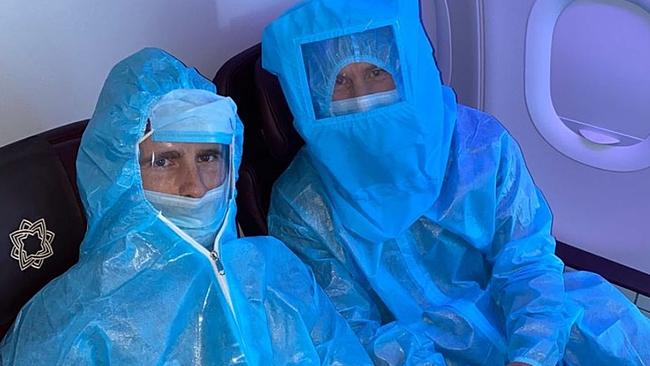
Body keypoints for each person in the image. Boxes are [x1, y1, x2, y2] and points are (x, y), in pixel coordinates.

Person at [261, 0, 650, 365]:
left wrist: (531, 355)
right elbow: (354, 328)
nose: (361, 98)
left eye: (376, 72)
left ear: (407, 66)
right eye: (339, 81)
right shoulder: (300, 204)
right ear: (309, 93)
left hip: (514, 306)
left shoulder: (480, 146)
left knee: (607, 329)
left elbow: (526, 262)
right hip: (412, 347)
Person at [0, 48, 371, 365]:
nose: (195, 187)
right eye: (163, 161)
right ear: (119, 173)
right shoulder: (71, 326)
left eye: (209, 156)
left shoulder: (273, 266)